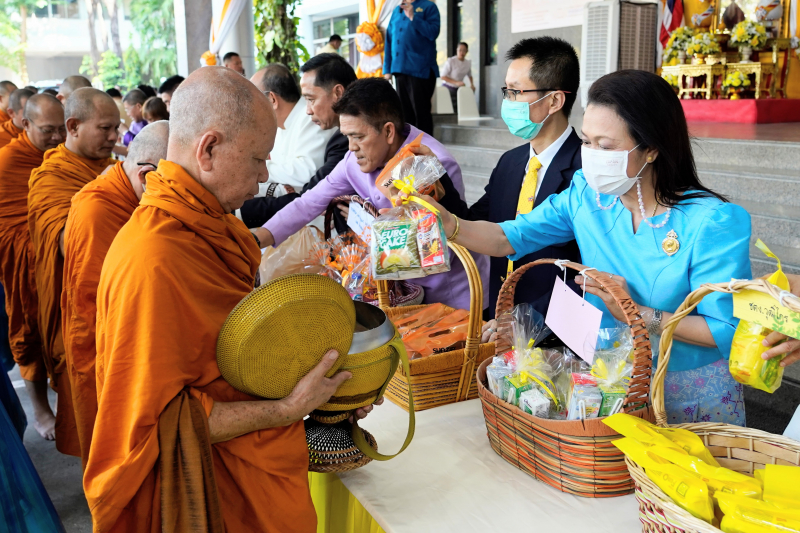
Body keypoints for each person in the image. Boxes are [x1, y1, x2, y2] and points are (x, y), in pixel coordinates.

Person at [83, 66, 375, 532]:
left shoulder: (212, 226)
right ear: (209, 149)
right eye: (260, 159)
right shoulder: (153, 258)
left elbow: (240, 356)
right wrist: (287, 409)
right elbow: (155, 422)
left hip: (257, 460)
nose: (264, 178)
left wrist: (326, 393)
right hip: (212, 488)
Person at [418, 70, 752, 425]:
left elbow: (726, 331)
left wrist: (636, 312)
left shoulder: (713, 222)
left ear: (652, 148)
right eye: (587, 142)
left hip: (686, 394)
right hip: (607, 386)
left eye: (605, 147)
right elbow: (507, 237)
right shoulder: (587, 196)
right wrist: (450, 225)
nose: (591, 156)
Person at [253, 77, 488, 310]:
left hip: (450, 296)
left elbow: (442, 243)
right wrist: (257, 240)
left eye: (358, 137)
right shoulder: (353, 161)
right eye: (347, 136)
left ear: (388, 132)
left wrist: (370, 229)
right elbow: (309, 203)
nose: (351, 147)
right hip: (395, 292)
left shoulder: (429, 164)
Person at [449, 37, 582, 323]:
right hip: (501, 316)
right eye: (506, 91)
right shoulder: (510, 162)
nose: (507, 102)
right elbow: (474, 222)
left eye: (515, 92)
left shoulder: (585, 171)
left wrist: (528, 320)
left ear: (555, 100)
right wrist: (435, 185)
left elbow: (590, 271)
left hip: (554, 331)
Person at [62, 121, 169, 468]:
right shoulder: (98, 210)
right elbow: (97, 304)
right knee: (116, 450)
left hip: (131, 335)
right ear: (146, 176)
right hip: (105, 345)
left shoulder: (130, 191)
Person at [28, 87, 118, 456]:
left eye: (117, 128)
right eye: (105, 128)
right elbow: (69, 244)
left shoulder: (107, 166)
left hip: (118, 296)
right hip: (81, 309)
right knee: (92, 408)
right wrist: (112, 188)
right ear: (74, 126)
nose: (114, 137)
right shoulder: (51, 178)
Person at [0, 93, 65, 441]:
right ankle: (40, 409)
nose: (56, 137)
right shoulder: (7, 162)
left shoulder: (65, 161)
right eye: (47, 130)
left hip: (62, 265)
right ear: (25, 124)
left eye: (61, 129)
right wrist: (41, 242)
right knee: (29, 335)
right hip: (24, 268)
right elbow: (5, 226)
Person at [238, 53, 355, 228]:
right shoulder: (285, 126)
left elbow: (310, 187)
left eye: (310, 99)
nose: (308, 110)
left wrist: (256, 167)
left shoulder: (327, 129)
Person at [250, 64, 334, 198]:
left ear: (272, 100)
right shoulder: (278, 125)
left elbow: (307, 172)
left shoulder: (310, 117)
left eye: (253, 101)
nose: (251, 109)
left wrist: (256, 167)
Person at [383, 0, 440, 135]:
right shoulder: (397, 10)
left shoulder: (428, 7)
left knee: (421, 113)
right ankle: (409, 151)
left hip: (420, 70)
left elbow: (433, 32)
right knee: (405, 115)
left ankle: (425, 152)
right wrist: (387, 70)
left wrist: (414, 17)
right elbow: (389, 41)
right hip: (400, 69)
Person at [440, 42, 475, 111]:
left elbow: (469, 75)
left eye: (464, 50)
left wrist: (472, 84)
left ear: (467, 51)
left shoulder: (467, 63)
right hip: (448, 88)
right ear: (457, 50)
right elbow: (442, 76)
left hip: (459, 89)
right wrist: (456, 82)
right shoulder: (451, 61)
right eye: (460, 50)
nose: (462, 52)